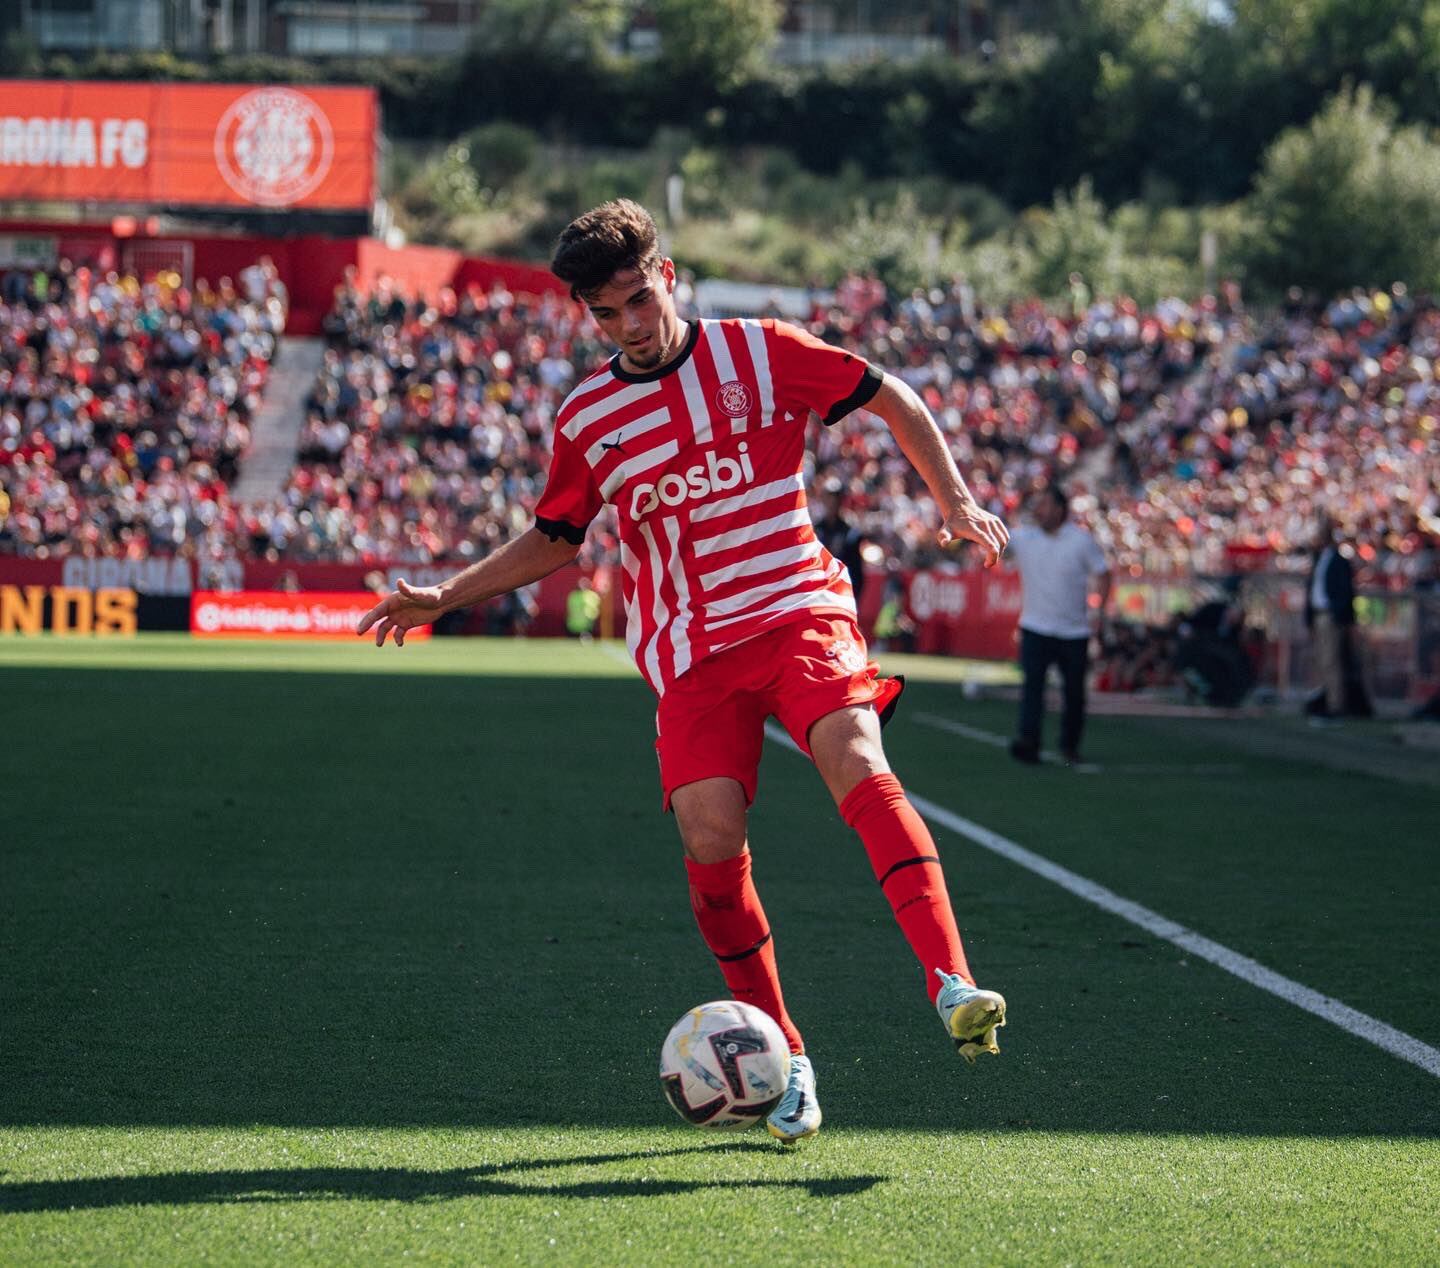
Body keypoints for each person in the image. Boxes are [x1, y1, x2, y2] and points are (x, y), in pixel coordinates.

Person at [357, 199, 1011, 1143]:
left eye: (636, 299)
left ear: (667, 275)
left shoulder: (762, 350)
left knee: (856, 757)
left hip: (798, 611)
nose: (628, 324)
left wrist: (954, 501)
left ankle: (951, 980)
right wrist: (447, 596)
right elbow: (556, 536)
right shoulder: (589, 416)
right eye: (605, 314)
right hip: (692, 652)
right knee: (711, 841)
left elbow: (890, 394)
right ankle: (786, 1057)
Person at [1006, 484, 1112, 765]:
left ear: (1060, 509)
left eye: (1045, 505)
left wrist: (1098, 610)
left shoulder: (1081, 540)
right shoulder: (1025, 537)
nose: (1039, 511)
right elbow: (999, 544)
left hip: (1073, 630)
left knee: (1074, 694)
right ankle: (1029, 741)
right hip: (1035, 626)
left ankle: (1070, 745)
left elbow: (1103, 573)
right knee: (1032, 689)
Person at [1303, 511, 1366, 720]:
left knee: (1332, 662)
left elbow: (1345, 592)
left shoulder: (1338, 561)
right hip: (1319, 616)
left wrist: (1343, 617)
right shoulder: (1319, 560)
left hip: (1331, 616)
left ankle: (1335, 705)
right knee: (1321, 661)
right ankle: (1323, 700)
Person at [565, 575, 602, 642]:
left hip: (586, 627)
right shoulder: (574, 595)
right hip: (573, 626)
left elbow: (595, 611)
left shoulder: (592, 595)